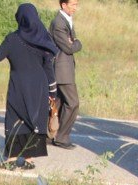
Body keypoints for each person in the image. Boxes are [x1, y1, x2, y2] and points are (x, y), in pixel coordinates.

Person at [0, 3, 57, 169]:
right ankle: (29, 159)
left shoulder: (13, 39)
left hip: (19, 85)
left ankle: (12, 159)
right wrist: (53, 92)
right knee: (34, 120)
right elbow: (49, 70)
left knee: (15, 119)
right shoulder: (43, 39)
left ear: (20, 18)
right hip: (39, 86)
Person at [48, 0, 81, 149]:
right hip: (62, 70)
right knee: (73, 103)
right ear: (63, 5)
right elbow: (68, 48)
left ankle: (49, 134)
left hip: (64, 69)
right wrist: (77, 43)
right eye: (73, 4)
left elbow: (69, 44)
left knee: (59, 103)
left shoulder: (66, 20)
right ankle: (62, 137)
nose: (76, 8)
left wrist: (73, 42)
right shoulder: (59, 23)